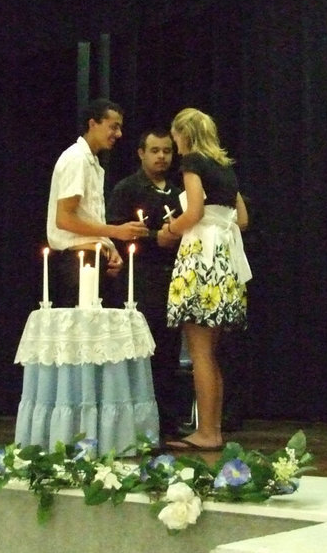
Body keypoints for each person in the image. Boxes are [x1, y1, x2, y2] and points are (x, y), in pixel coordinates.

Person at [164, 108, 252, 452]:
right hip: (225, 259)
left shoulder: (193, 163)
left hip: (200, 257)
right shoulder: (226, 169)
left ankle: (207, 432)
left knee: (199, 350)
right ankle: (212, 428)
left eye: (175, 138)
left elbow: (194, 211)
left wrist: (169, 229)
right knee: (210, 352)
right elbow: (242, 219)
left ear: (184, 134)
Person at [106, 128, 183, 436]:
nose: (161, 156)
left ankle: (168, 420)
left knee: (169, 351)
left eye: (166, 150)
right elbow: (114, 228)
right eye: (155, 150)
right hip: (139, 278)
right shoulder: (127, 188)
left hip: (173, 277)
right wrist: (154, 237)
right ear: (141, 153)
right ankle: (136, 423)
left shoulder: (179, 191)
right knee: (142, 350)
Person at [46, 98, 149, 307]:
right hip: (76, 260)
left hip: (90, 257)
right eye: (113, 127)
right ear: (93, 124)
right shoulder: (76, 159)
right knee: (82, 332)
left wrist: (109, 245)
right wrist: (115, 232)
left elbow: (88, 215)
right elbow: (64, 219)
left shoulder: (90, 162)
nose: (118, 134)